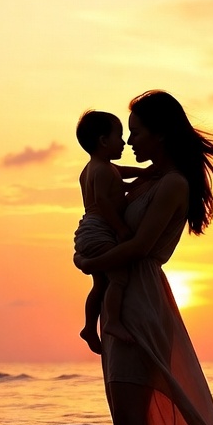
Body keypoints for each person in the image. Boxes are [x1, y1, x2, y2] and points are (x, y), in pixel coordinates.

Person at [74, 91, 213, 425]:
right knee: (128, 424)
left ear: (161, 134)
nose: (130, 141)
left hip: (140, 300)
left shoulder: (173, 184)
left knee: (132, 423)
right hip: (123, 294)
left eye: (136, 132)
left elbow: (140, 246)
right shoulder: (148, 179)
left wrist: (89, 263)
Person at [74, 110, 142, 355]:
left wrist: (143, 173)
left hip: (88, 231)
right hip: (99, 231)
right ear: (104, 141)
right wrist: (120, 228)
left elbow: (120, 174)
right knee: (119, 277)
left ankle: (89, 328)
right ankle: (112, 321)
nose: (124, 142)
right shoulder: (103, 170)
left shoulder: (96, 168)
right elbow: (103, 200)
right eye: (119, 136)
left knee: (101, 282)